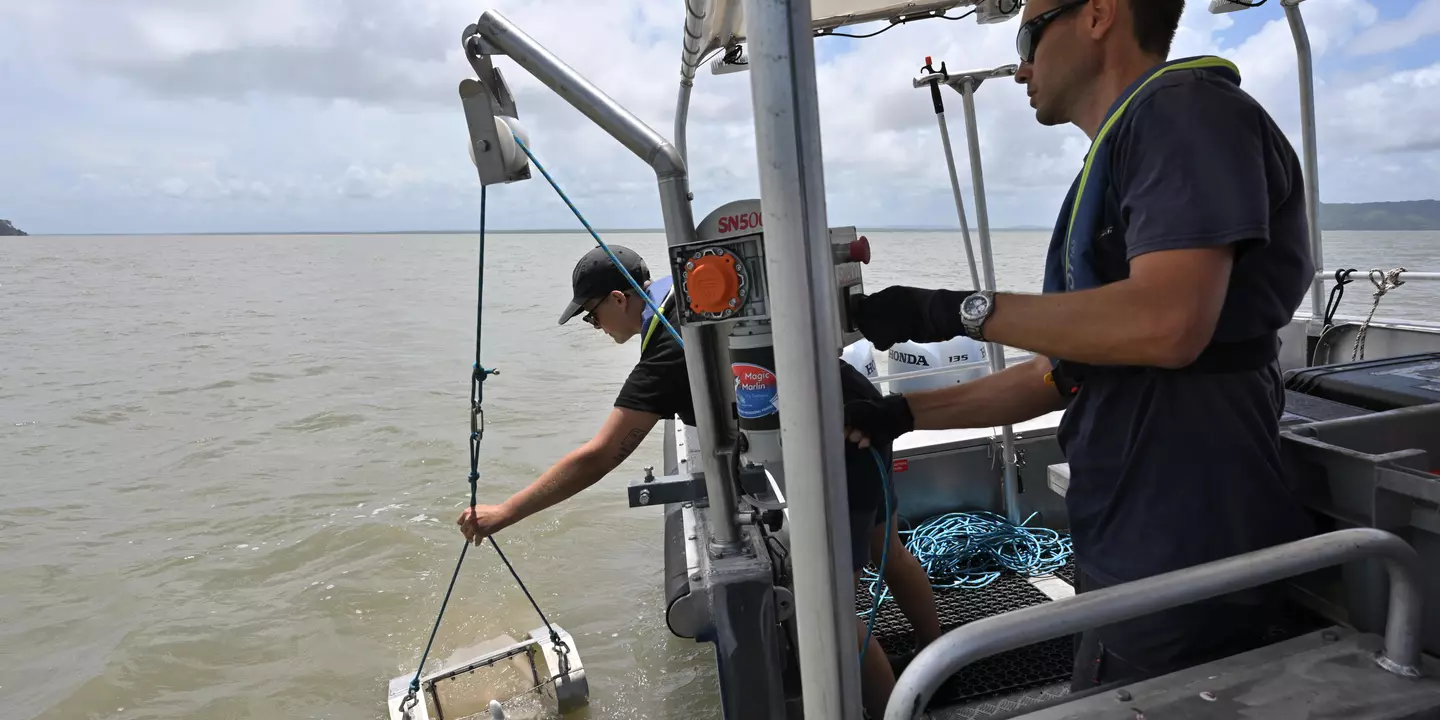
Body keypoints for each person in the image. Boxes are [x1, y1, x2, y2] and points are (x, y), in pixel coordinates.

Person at [843, 0, 1316, 694]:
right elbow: (1061, 376)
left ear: (1099, 14)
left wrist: (954, 311)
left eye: (1028, 34)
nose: (1020, 66)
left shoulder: (1184, 114)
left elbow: (1168, 323)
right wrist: (905, 416)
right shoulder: (1129, 144)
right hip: (1130, 533)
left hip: (1187, 537)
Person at [457, 244, 941, 714]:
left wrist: (506, 512)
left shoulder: (666, 348)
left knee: (832, 609)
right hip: (861, 408)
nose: (594, 326)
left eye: (591, 314)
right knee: (886, 547)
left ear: (619, 299)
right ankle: (934, 661)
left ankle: (898, 709)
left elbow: (600, 454)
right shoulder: (681, 298)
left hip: (834, 439)